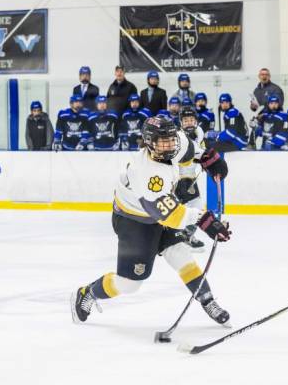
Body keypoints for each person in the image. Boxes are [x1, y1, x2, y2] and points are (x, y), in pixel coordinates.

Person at [70, 116, 231, 326]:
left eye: (172, 139)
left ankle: (208, 301)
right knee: (130, 285)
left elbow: (190, 151)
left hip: (160, 210)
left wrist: (208, 157)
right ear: (149, 142)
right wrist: (204, 220)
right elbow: (172, 216)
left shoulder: (176, 141)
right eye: (163, 141)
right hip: (133, 220)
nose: (170, 145)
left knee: (180, 255)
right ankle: (87, 293)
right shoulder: (146, 173)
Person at [175, 105, 208, 251]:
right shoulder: (177, 136)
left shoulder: (199, 133)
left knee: (194, 208)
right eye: (185, 120)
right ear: (181, 122)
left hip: (190, 178)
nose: (189, 122)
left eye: (191, 119)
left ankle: (182, 237)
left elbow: (201, 151)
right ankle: (183, 238)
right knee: (196, 208)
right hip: (177, 178)